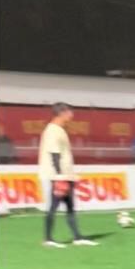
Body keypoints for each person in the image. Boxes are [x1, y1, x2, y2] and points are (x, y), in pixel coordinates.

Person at [38, 103, 95, 248]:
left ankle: (77, 237)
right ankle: (48, 239)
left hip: (66, 175)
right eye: (70, 112)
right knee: (54, 206)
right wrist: (59, 177)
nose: (72, 115)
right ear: (62, 113)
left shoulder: (60, 130)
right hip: (59, 176)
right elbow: (54, 155)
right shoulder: (53, 130)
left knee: (70, 206)